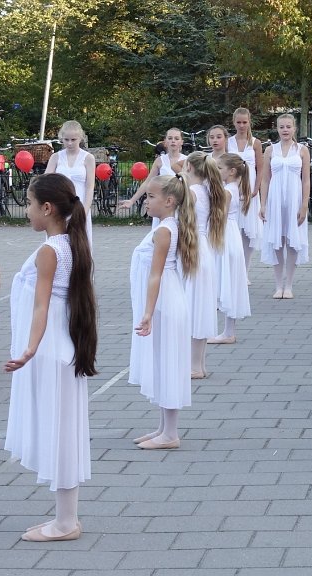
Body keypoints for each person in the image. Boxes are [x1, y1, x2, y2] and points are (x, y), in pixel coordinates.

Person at [4, 173, 97, 542]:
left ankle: (65, 522)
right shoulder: (68, 245)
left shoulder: (50, 250)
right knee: (63, 431)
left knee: (60, 433)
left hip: (50, 349)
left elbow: (42, 306)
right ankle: (65, 516)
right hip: (61, 347)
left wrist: (29, 349)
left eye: (28, 204)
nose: (25, 211)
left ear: (46, 208)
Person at [129, 175, 198, 450]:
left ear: (169, 202)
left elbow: (156, 275)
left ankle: (170, 433)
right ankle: (162, 427)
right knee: (161, 362)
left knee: (168, 363)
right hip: (165, 301)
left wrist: (147, 312)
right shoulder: (164, 227)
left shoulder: (164, 231)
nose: (146, 200)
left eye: (151, 197)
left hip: (164, 303)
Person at [181, 152, 224, 376]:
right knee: (199, 306)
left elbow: (183, 222)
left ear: (188, 166)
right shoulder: (207, 191)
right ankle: (198, 364)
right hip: (203, 249)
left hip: (194, 251)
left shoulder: (192, 192)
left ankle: (195, 366)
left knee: (194, 307)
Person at [259, 114, 310, 298]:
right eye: (282, 127)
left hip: (294, 198)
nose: (285, 130)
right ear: (277, 129)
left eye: (289, 126)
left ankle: (289, 285)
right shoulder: (270, 150)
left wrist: (304, 205)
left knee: (293, 242)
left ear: (294, 128)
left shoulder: (302, 150)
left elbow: (306, 181)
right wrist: (263, 204)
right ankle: (278, 284)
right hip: (275, 199)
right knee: (277, 242)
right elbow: (265, 179)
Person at [210, 153, 253, 344]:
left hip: (226, 235)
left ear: (232, 171)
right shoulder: (233, 188)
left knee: (225, 280)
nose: (217, 171)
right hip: (231, 234)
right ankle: (228, 331)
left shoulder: (228, 191)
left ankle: (227, 332)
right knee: (229, 281)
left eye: (220, 168)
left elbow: (222, 216)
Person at [45, 121, 96, 240]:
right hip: (59, 205)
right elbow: (45, 181)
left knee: (79, 243)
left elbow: (89, 187)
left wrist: (85, 210)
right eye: (66, 139)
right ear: (61, 138)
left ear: (80, 138)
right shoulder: (56, 157)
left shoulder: (88, 158)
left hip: (79, 204)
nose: (69, 143)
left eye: (73, 139)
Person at [119, 128, 188, 217]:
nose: (173, 141)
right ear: (165, 141)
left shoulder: (187, 160)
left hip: (180, 204)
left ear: (181, 142)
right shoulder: (159, 161)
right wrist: (132, 200)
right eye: (170, 138)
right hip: (162, 204)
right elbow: (148, 182)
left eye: (176, 138)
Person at [229, 110, 265, 272]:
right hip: (232, 189)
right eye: (239, 122)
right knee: (233, 228)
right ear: (234, 122)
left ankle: (245, 270)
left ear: (250, 122)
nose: (242, 125)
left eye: (245, 122)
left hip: (250, 190)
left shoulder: (255, 143)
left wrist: (256, 188)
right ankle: (234, 269)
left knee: (248, 232)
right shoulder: (228, 142)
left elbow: (261, 167)